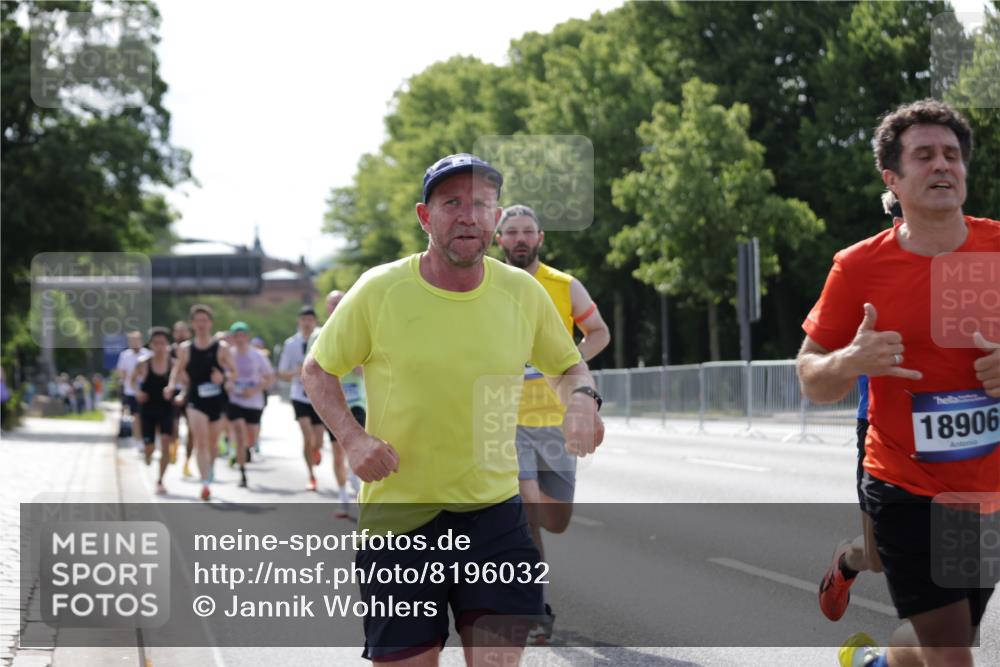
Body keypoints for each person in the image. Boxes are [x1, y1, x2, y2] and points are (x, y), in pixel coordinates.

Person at [303, 153, 604, 666]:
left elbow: (569, 367)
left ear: (496, 216)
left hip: (496, 519)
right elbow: (318, 369)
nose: (468, 215)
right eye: (452, 203)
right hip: (400, 521)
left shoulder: (522, 292)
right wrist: (353, 438)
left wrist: (581, 400)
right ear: (425, 217)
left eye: (481, 204)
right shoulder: (380, 289)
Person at [795, 99, 1000, 667]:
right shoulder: (858, 266)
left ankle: (876, 663)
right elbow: (811, 378)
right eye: (924, 155)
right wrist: (850, 360)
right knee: (952, 651)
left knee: (950, 637)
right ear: (893, 179)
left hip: (982, 490)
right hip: (904, 482)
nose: (942, 165)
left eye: (952, 155)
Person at [495, 203, 611, 644]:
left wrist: (566, 363)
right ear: (499, 240)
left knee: (555, 519)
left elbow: (599, 331)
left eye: (527, 231)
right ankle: (534, 607)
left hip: (556, 421)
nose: (520, 239)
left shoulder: (564, 286)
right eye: (511, 232)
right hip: (505, 420)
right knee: (526, 517)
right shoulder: (486, 283)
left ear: (540, 238)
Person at [167, 304, 237, 501]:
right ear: (192, 324)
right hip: (195, 399)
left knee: (212, 444)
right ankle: (205, 483)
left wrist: (223, 377)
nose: (201, 324)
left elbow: (234, 372)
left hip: (218, 400)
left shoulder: (221, 348)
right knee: (201, 441)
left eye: (204, 320)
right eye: (197, 320)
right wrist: (172, 386)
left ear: (210, 323)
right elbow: (176, 370)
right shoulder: (185, 349)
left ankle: (210, 467)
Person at [310, 290, 363, 517]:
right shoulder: (318, 336)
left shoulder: (360, 330)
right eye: (333, 303)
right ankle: (343, 498)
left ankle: (358, 489)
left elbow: (364, 370)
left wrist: (355, 364)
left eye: (340, 301)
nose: (337, 306)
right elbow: (313, 371)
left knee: (358, 447)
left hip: (358, 401)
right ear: (326, 307)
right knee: (338, 452)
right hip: (333, 403)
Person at [278, 305, 324, 491]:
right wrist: (296, 372)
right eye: (304, 320)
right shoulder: (291, 344)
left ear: (315, 321)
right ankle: (311, 475)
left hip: (320, 395)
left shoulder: (323, 339)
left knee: (318, 440)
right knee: (307, 436)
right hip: (299, 395)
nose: (307, 323)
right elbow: (282, 372)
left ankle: (316, 450)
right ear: (299, 321)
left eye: (310, 320)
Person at [224, 321, 274, 488]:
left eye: (242, 335)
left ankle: (243, 451)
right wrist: (227, 383)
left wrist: (254, 390)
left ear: (247, 337)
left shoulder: (258, 356)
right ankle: (242, 473)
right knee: (239, 434)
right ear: (232, 338)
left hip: (253, 401)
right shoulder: (227, 355)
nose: (239, 339)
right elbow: (222, 375)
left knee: (250, 439)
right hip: (234, 400)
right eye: (236, 336)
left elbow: (269, 377)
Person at [134, 327, 175, 494]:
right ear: (150, 345)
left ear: (167, 345)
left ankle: (160, 480)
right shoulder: (143, 363)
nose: (159, 347)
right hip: (148, 408)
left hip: (166, 408)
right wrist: (138, 393)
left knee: (165, 442)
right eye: (156, 343)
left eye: (162, 343)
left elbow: (185, 382)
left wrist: (176, 391)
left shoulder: (173, 364)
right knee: (150, 446)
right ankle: (148, 453)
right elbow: (131, 381)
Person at [115, 331, 147, 444]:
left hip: (145, 391)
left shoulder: (147, 354)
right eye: (132, 340)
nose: (134, 343)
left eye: (136, 340)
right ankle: (138, 441)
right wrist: (128, 379)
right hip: (131, 391)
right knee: (136, 416)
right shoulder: (125, 355)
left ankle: (147, 438)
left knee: (145, 417)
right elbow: (120, 371)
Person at [250, 336, 270, 454]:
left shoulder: (263, 357)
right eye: (254, 345)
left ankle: (256, 440)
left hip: (260, 394)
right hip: (245, 394)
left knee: (257, 419)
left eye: (258, 346)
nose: (256, 348)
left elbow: (269, 376)